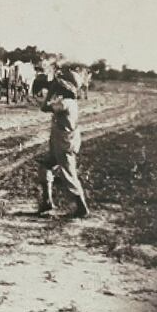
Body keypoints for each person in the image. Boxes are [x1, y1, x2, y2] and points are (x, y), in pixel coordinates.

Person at [37, 67, 90, 218]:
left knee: (68, 175)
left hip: (63, 143)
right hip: (61, 141)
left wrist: (51, 90)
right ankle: (47, 202)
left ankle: (82, 207)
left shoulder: (66, 103)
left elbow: (45, 107)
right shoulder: (69, 102)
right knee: (45, 167)